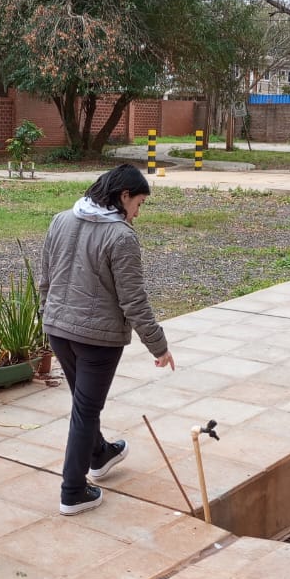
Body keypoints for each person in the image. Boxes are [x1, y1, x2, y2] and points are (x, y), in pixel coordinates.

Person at [39, 164, 175, 515]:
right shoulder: (121, 236)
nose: (138, 213)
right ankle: (72, 491)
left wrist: (48, 317)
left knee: (84, 403)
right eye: (139, 204)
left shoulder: (61, 219)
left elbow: (46, 279)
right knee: (85, 410)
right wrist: (158, 346)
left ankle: (99, 454)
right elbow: (133, 300)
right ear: (123, 196)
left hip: (59, 331)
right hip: (97, 340)